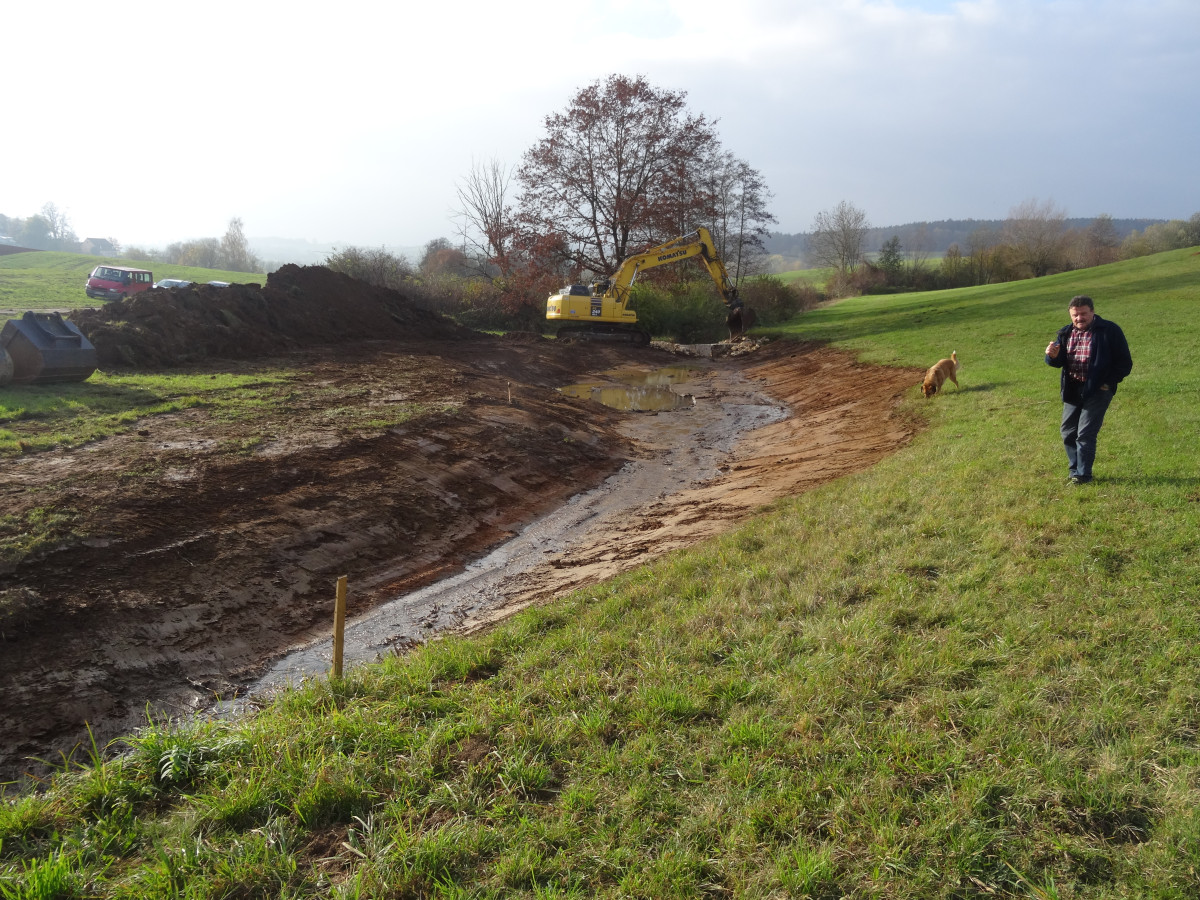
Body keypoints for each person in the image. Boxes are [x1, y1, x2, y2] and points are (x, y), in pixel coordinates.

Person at [1044, 295, 1132, 484]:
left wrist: (1107, 383)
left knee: (1085, 433)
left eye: (1083, 314)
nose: (1079, 318)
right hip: (1072, 389)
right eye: (1075, 315)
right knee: (1067, 431)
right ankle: (1074, 469)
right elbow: (1057, 362)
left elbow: (1125, 363)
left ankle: (1083, 475)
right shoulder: (1065, 333)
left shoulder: (1109, 331)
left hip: (1098, 390)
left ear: (1092, 311)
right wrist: (1052, 356)